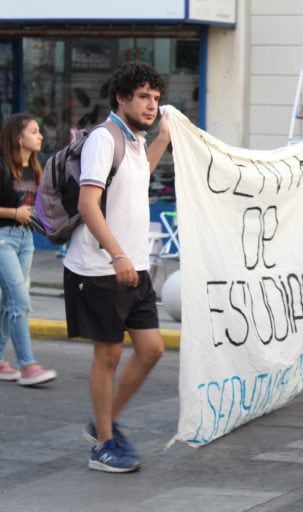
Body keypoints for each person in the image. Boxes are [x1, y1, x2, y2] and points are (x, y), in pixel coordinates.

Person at [63, 62, 171, 473]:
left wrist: (163, 137)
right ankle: (104, 445)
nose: (151, 104)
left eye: (156, 98)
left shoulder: (137, 139)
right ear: (122, 97)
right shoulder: (103, 139)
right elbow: (87, 204)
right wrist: (118, 255)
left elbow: (138, 180)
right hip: (99, 267)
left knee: (152, 349)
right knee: (107, 354)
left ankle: (102, 423)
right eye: (144, 96)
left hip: (134, 266)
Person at [0, 113, 58, 386]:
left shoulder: (35, 168)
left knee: (8, 303)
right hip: (3, 239)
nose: (40, 136)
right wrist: (14, 212)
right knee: (20, 301)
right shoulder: (2, 166)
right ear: (18, 137)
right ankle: (28, 365)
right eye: (34, 131)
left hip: (26, 241)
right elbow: (17, 210)